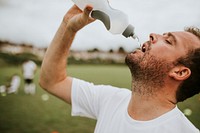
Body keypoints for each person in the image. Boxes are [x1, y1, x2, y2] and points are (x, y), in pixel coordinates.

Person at [39, 5, 200, 133]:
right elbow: (52, 81)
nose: (152, 34)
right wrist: (68, 26)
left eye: (168, 41)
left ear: (180, 72)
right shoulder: (111, 99)